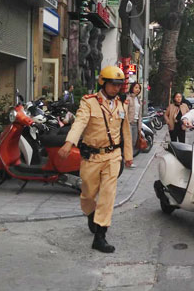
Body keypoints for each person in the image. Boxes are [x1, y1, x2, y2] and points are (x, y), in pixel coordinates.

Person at [58, 66, 133, 253]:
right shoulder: (89, 102)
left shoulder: (122, 105)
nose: (116, 88)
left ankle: (100, 236)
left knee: (108, 195)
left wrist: (128, 155)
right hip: (91, 157)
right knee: (88, 195)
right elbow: (80, 122)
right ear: (103, 83)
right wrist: (69, 143)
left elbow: (126, 132)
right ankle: (91, 214)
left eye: (119, 85)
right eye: (113, 84)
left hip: (113, 156)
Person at [126, 82, 143, 167]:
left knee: (133, 142)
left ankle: (129, 159)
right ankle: (129, 161)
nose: (138, 89)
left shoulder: (138, 99)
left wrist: (139, 126)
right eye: (136, 87)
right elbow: (125, 111)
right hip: (129, 123)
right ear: (132, 88)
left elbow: (139, 114)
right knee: (128, 142)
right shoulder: (128, 98)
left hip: (136, 123)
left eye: (139, 88)